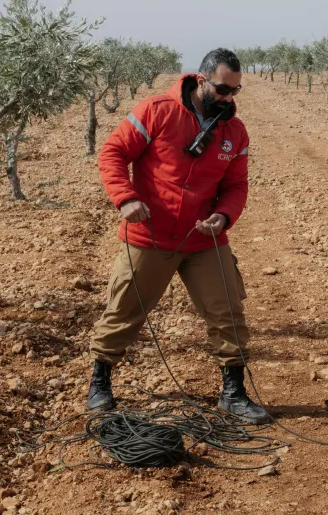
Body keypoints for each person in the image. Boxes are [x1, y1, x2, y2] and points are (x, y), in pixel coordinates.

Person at [85, 48, 268, 423]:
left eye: (235, 91)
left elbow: (237, 185)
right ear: (200, 80)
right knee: (123, 310)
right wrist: (125, 199)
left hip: (204, 239)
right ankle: (100, 383)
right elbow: (113, 153)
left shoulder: (235, 131)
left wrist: (223, 215)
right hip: (150, 234)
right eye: (221, 89)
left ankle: (233, 393)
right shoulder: (156, 110)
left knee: (227, 312)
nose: (227, 98)